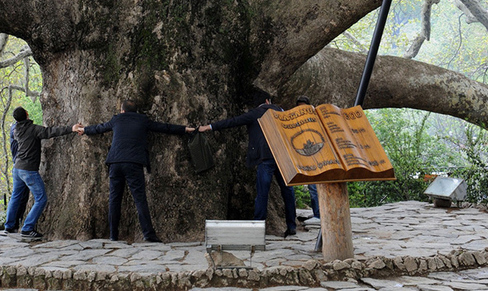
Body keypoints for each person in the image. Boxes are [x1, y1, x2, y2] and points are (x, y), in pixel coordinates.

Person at [74, 100, 195, 243]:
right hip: (133, 163)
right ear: (135, 111)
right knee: (139, 199)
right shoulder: (143, 120)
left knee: (114, 199)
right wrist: (184, 129)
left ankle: (113, 235)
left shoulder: (116, 119)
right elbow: (163, 127)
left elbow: (101, 128)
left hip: (116, 162)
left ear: (122, 110)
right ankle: (148, 234)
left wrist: (85, 130)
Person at [199, 90, 298, 238]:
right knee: (288, 192)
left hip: (265, 158)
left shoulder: (255, 113)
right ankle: (291, 226)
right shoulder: (281, 111)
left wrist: (209, 127)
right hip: (283, 157)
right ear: (267, 101)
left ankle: (258, 227)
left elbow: (232, 122)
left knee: (262, 193)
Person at [4, 106, 81, 239]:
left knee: (15, 196)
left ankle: (9, 226)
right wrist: (71, 128)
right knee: (41, 198)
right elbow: (50, 131)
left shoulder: (16, 130)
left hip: (17, 168)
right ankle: (27, 228)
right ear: (27, 114)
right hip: (28, 170)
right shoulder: (33, 129)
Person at [296, 95, 321, 225]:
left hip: (316, 156)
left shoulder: (314, 119)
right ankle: (317, 212)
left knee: (314, 186)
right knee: (313, 186)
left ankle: (318, 215)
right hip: (307, 156)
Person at [4, 120, 29, 233]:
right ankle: (12, 223)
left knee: (18, 196)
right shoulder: (18, 130)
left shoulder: (15, 129)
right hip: (23, 165)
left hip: (17, 165)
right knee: (20, 196)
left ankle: (12, 223)